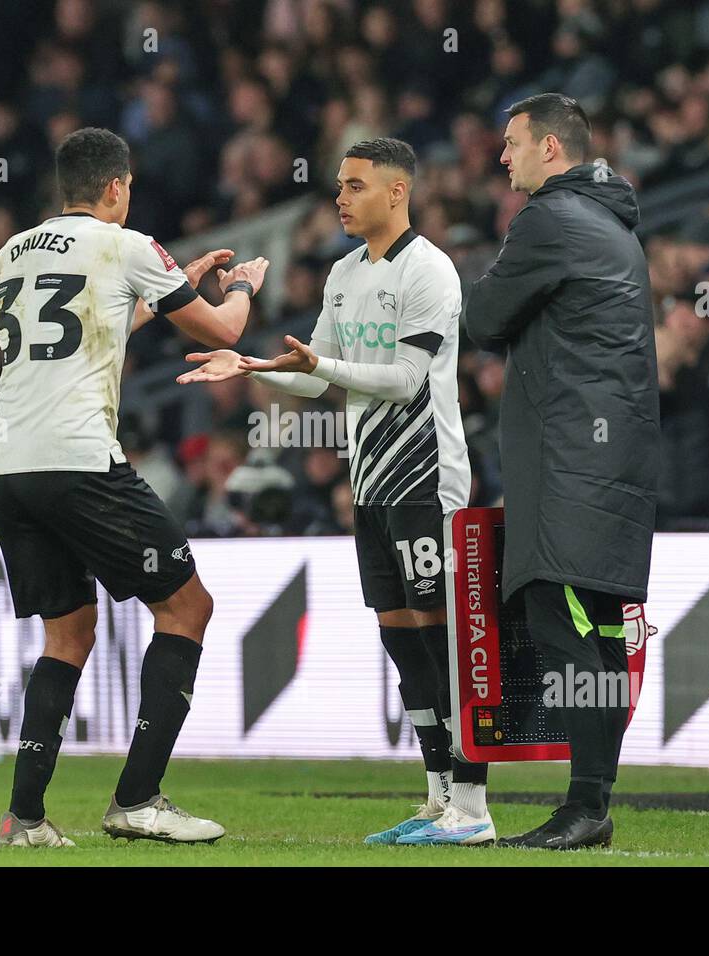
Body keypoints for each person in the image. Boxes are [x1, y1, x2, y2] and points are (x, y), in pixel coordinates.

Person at [178, 139, 494, 845]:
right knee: (402, 643)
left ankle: (473, 809)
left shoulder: (431, 270)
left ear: (397, 191)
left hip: (425, 479)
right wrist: (253, 365)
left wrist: (322, 362)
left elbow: (406, 380)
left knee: (443, 644)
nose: (342, 200)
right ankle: (438, 798)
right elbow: (316, 374)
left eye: (355, 186)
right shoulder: (345, 273)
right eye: (340, 187)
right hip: (372, 484)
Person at [0, 127, 269, 847]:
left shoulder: (12, 252)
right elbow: (221, 330)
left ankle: (24, 818)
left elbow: (87, 328)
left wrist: (166, 282)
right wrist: (237, 287)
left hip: (10, 466)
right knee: (187, 606)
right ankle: (137, 799)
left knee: (68, 631)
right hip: (78, 459)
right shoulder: (129, 245)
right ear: (117, 187)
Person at [463, 94, 660, 850]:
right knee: (603, 632)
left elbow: (483, 321)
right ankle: (591, 803)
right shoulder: (614, 224)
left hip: (570, 459)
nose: (503, 158)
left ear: (551, 147)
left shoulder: (549, 219)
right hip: (612, 456)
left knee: (559, 618)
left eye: (511, 144)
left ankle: (587, 807)